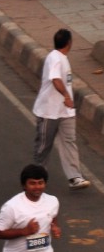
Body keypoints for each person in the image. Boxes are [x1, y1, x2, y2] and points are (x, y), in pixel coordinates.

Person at [32, 28, 91, 190]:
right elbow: (55, 78)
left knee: (69, 142)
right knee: (44, 145)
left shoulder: (62, 58)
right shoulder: (55, 58)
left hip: (65, 112)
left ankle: (74, 177)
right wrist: (66, 95)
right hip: (48, 111)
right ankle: (37, 177)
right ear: (69, 43)